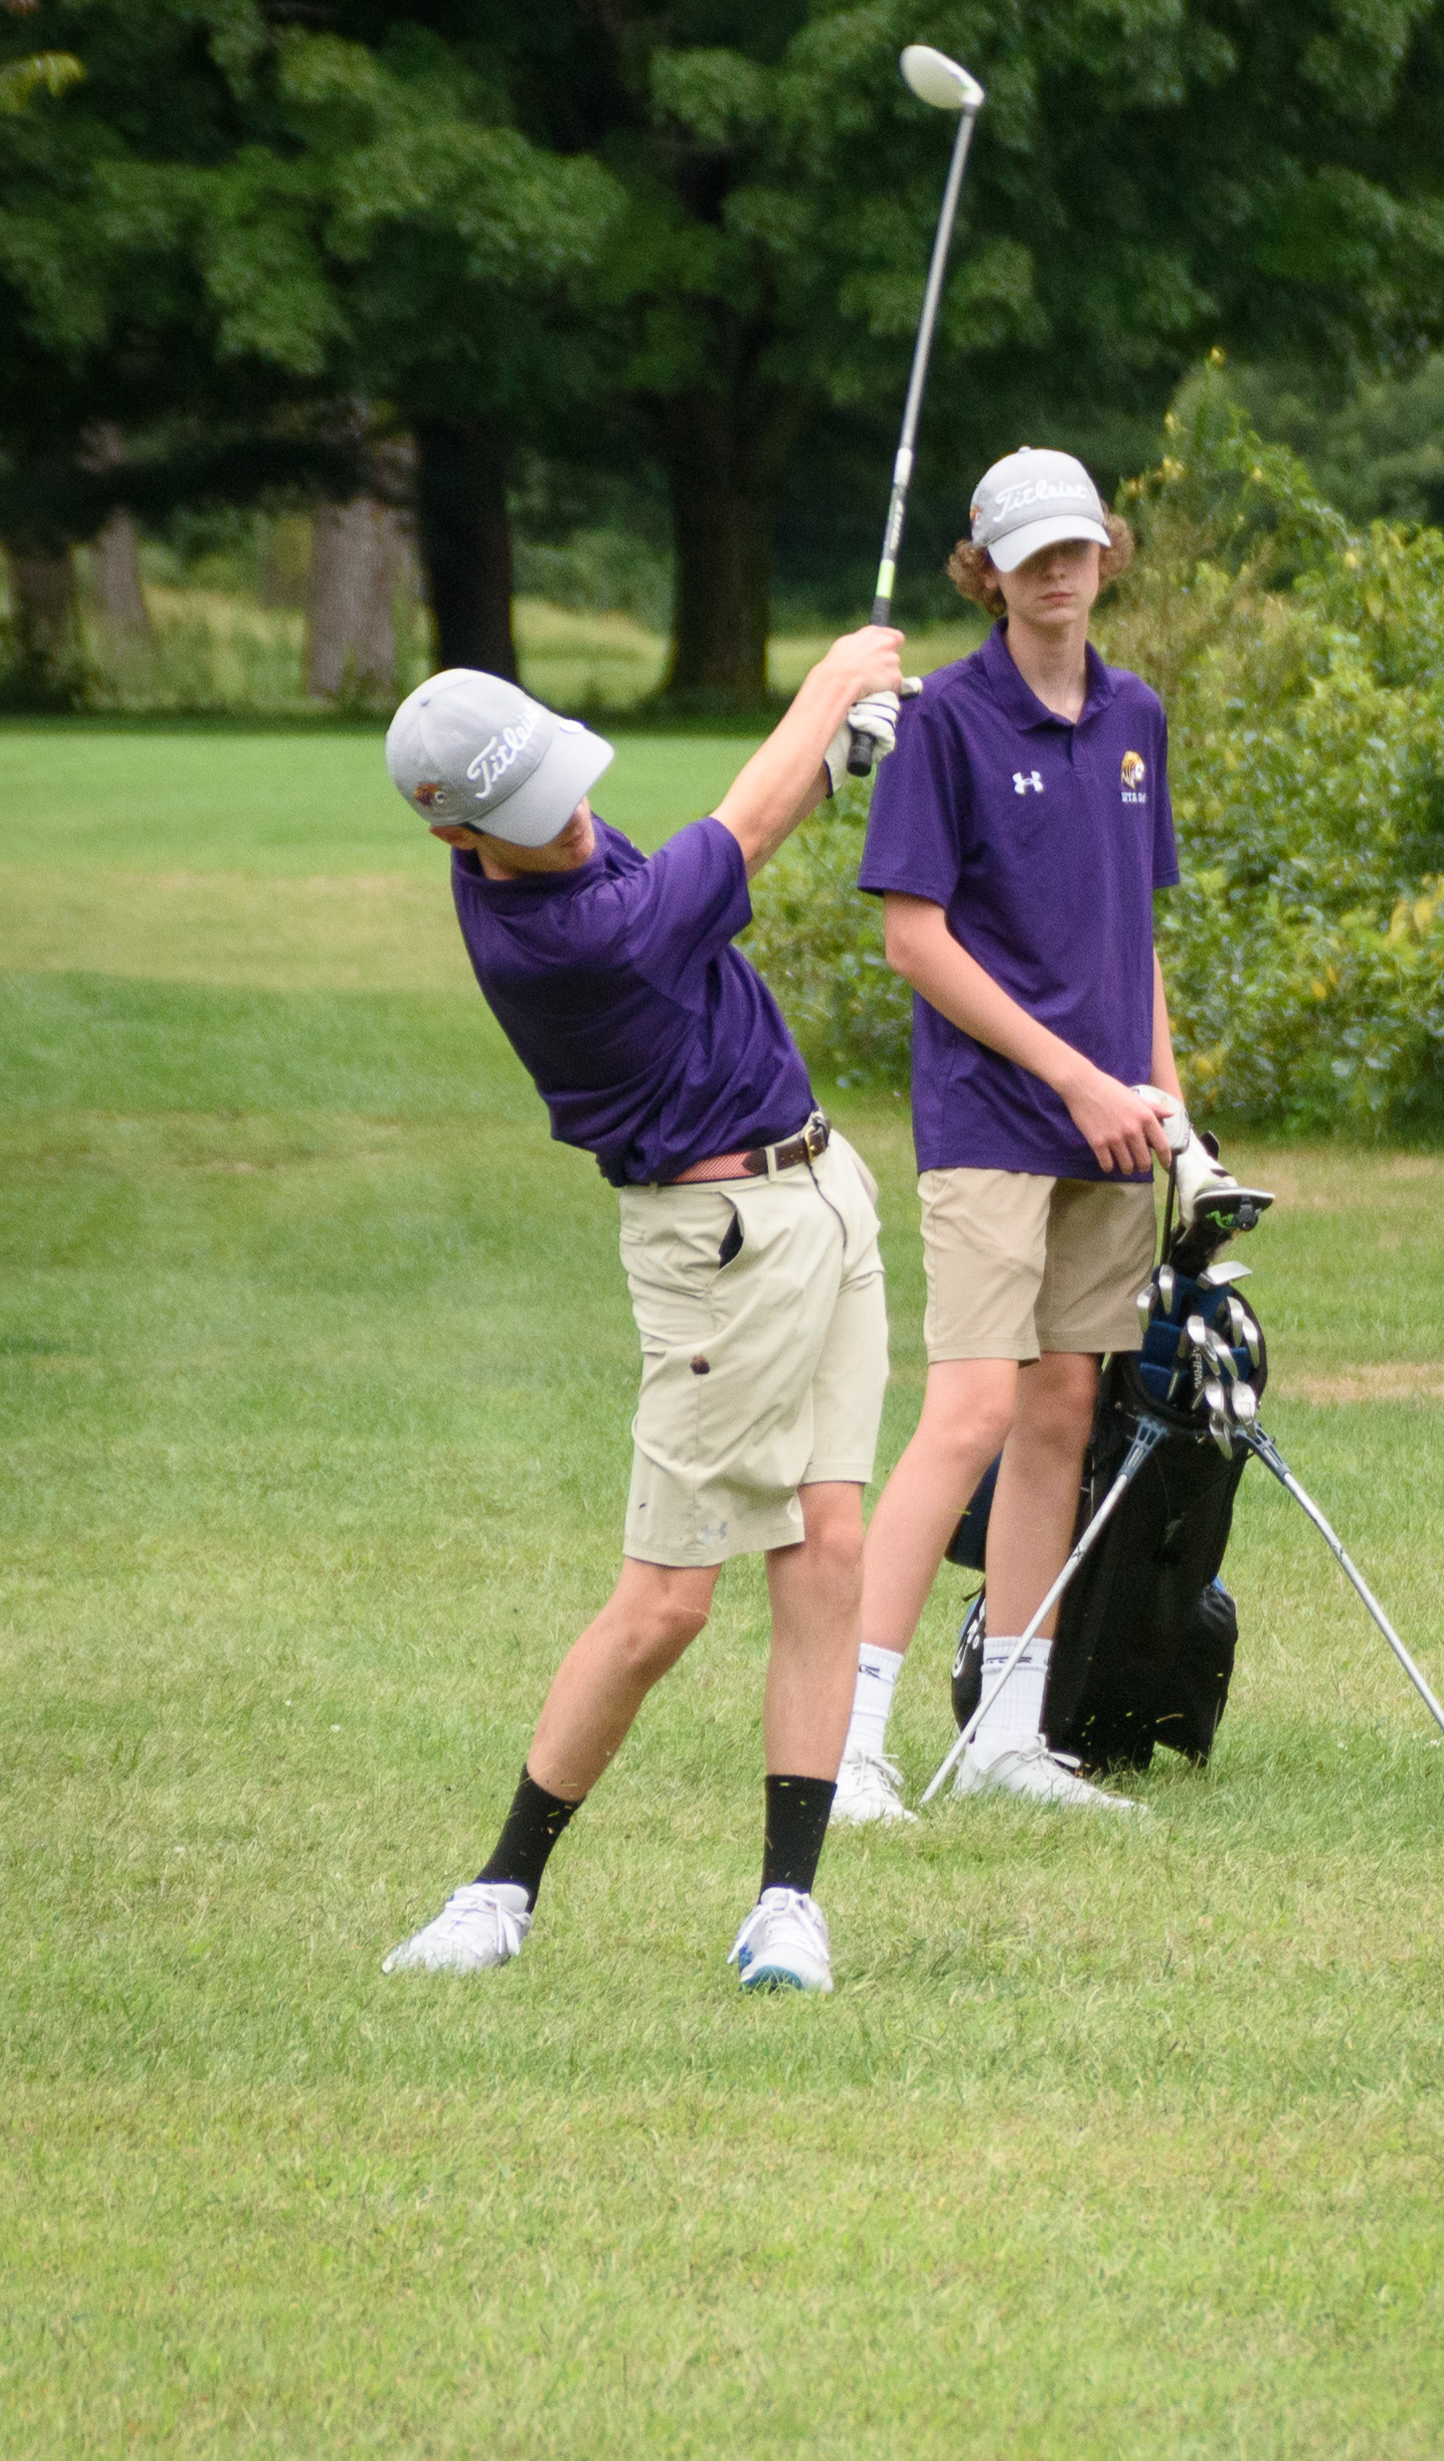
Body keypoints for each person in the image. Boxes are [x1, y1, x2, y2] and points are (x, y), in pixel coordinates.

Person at [380, 629, 904, 1992]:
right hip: (720, 1249)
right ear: (460, 843)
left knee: (828, 1548)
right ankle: (498, 1890)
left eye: (553, 782)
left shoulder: (543, 838)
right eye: (525, 810)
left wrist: (839, 753)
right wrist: (830, 691)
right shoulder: (569, 940)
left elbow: (738, 827)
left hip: (824, 1196)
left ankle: (787, 1903)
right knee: (667, 1603)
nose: (566, 816)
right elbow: (743, 825)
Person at [831, 447, 1215, 1822]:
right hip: (995, 1119)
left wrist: (1168, 1106)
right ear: (985, 568)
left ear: (1107, 553)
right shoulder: (943, 721)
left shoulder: (1134, 715)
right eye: (1031, 554)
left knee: (1063, 1408)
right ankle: (850, 1738)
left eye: (1080, 547)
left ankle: (1005, 1726)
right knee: (974, 1409)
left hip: (1114, 1127)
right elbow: (910, 938)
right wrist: (1076, 1079)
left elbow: (1134, 932)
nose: (1060, 573)